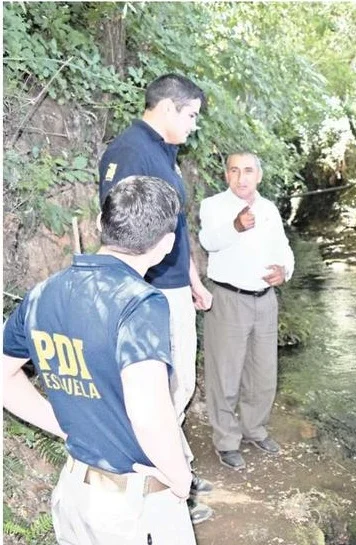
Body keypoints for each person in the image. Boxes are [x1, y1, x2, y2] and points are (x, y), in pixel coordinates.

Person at [3, 176, 196, 545]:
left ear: (98, 225)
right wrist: (180, 477)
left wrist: (63, 425)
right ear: (167, 245)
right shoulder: (140, 303)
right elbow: (148, 412)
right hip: (132, 510)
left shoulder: (43, 293)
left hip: (75, 495)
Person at [98, 73, 214, 522]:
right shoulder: (132, 152)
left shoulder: (162, 152)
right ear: (167, 108)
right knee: (164, 389)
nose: (194, 125)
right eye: (191, 115)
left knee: (177, 383)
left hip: (173, 284)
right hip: (151, 291)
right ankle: (164, 484)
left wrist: (193, 280)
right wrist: (146, 291)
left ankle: (175, 465)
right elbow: (124, 232)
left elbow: (173, 225)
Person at [199, 152, 294, 470]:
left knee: (263, 372)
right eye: (235, 171)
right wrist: (235, 227)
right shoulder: (213, 206)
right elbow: (208, 241)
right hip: (229, 298)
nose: (242, 177)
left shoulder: (268, 209)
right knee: (225, 374)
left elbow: (284, 249)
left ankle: (255, 429)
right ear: (226, 175)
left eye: (248, 171)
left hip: (265, 300)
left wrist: (285, 271)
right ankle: (226, 441)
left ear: (259, 176)